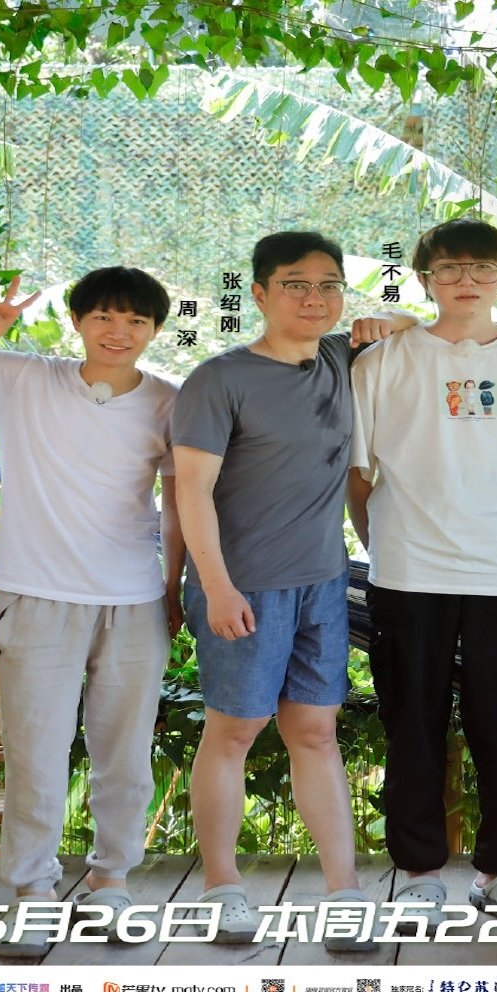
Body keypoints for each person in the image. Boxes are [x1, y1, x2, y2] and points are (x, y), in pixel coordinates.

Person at [171, 231, 411, 950]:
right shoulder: (218, 380)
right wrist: (216, 586)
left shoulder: (339, 357)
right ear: (260, 294)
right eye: (296, 285)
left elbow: (418, 326)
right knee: (234, 732)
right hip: (242, 585)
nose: (315, 298)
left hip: (321, 584)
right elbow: (190, 491)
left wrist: (382, 320)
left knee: (314, 732)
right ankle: (223, 889)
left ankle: (344, 893)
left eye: (329, 285)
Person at [0, 267, 181, 956]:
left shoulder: (170, 400)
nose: (118, 331)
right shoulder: (23, 377)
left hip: (134, 598)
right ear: (77, 321)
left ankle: (111, 880)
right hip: (36, 593)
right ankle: (32, 892)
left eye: (135, 321)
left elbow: (180, 501)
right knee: (36, 754)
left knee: (125, 753)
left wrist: (175, 586)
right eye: (103, 316)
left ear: (155, 330)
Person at [347, 217, 497, 922]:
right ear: (425, 279)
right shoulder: (383, 360)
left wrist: (492, 524)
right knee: (411, 724)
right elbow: (358, 473)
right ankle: (419, 873)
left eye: (484, 269)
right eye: (449, 268)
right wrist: (386, 545)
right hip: (408, 572)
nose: (467, 281)